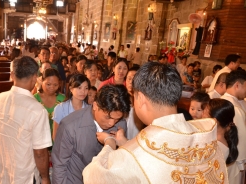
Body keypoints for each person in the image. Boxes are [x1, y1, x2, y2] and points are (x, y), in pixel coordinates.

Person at [82, 62, 228, 184]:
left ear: (141, 99)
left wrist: (109, 144)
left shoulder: (133, 155)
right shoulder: (207, 135)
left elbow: (93, 175)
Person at [0, 56, 52, 184]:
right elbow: (39, 153)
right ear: (35, 78)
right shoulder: (37, 110)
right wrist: (45, 177)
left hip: (0, 171)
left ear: (12, 75)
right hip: (23, 176)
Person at [52, 84, 130, 184]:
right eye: (108, 117)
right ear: (95, 105)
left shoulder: (121, 125)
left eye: (117, 119)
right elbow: (59, 165)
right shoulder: (70, 126)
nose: (112, 123)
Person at [220, 70, 246, 184]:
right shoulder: (230, 105)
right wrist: (242, 161)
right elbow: (241, 135)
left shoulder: (239, 102)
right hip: (233, 158)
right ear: (237, 85)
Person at [52, 74, 90, 140]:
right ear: (71, 89)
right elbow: (55, 136)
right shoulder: (60, 108)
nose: (83, 91)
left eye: (86, 88)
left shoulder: (89, 110)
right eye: (79, 88)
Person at [202, 99, 238, 163]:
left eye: (205, 115)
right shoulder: (213, 140)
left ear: (215, 121)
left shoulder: (218, 147)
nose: (202, 118)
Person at [34, 68, 66, 141]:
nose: (52, 87)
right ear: (42, 81)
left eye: (55, 85)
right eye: (48, 84)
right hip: (39, 141)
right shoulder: (34, 100)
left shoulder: (63, 100)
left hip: (58, 140)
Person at [125, 66, 144, 139]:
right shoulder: (121, 100)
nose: (131, 81)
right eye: (129, 78)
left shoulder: (143, 103)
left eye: (134, 79)